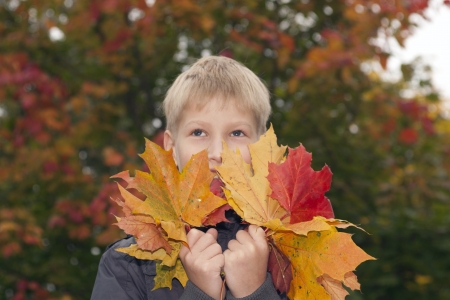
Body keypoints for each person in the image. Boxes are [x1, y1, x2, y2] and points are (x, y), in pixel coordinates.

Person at [91, 56, 286, 300]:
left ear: (260, 147)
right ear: (171, 148)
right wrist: (200, 294)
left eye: (237, 133)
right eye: (199, 132)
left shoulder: (294, 255)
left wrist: (256, 292)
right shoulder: (128, 265)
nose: (217, 153)